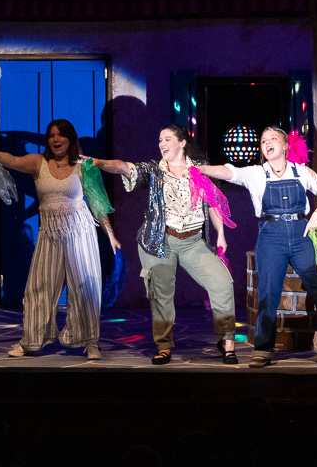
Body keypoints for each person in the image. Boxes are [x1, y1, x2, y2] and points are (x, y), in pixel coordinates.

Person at [196, 126, 317, 368]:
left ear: (285, 146)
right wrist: (202, 169)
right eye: (263, 140)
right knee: (268, 294)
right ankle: (263, 349)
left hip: (302, 234)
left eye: (273, 138)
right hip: (271, 236)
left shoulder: (301, 171)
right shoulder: (256, 173)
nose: (267, 143)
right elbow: (228, 172)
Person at [90, 125, 235, 365]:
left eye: (167, 139)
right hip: (159, 241)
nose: (162, 144)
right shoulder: (154, 171)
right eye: (160, 140)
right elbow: (124, 167)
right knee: (161, 294)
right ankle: (164, 346)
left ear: (182, 142)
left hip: (193, 242)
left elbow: (212, 203)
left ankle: (227, 343)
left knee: (222, 283)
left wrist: (220, 234)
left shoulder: (199, 169)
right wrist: (97, 162)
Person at [0, 119, 119, 361]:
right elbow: (14, 160)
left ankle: (90, 342)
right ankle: (31, 341)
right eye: (51, 135)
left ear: (70, 139)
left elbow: (97, 203)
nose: (56, 139)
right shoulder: (38, 162)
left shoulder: (83, 165)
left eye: (61, 135)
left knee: (85, 288)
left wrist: (111, 235)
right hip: (50, 233)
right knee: (39, 287)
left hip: (79, 232)